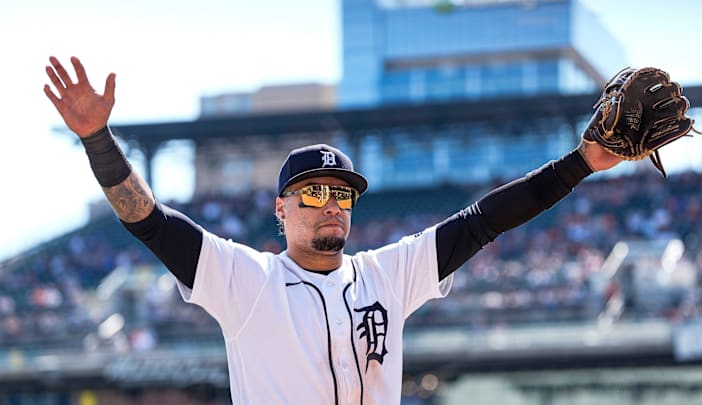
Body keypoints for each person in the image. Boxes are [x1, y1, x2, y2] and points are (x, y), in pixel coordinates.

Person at [44, 56, 622, 404]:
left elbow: (485, 220)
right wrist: (98, 139)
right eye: (314, 192)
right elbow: (147, 218)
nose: (330, 205)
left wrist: (580, 163)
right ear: (281, 208)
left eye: (341, 194)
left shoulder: (389, 274)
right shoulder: (246, 280)